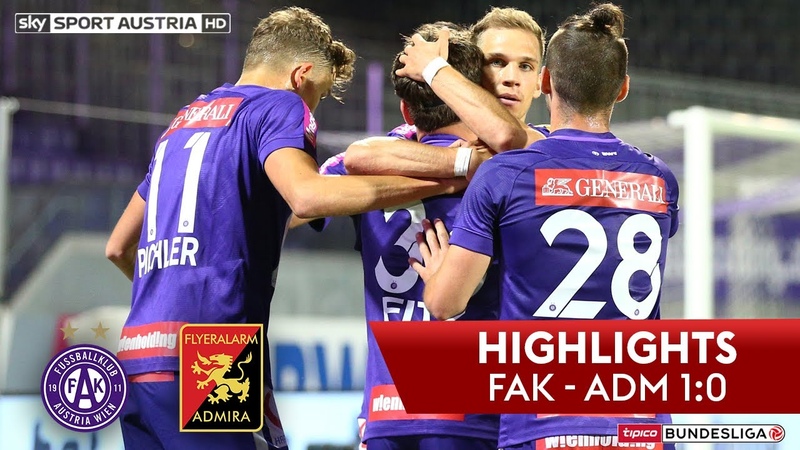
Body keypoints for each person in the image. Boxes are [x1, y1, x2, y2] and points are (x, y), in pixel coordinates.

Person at [104, 7, 465, 450]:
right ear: (300, 75)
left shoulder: (183, 121)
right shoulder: (280, 105)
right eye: (319, 95)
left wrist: (170, 297)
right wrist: (444, 181)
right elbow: (307, 197)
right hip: (215, 348)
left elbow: (118, 246)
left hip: (137, 351)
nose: (312, 109)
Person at [411, 4, 680, 450]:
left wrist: (440, 276)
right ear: (623, 89)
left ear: (547, 81)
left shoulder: (506, 174)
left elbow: (444, 305)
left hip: (546, 426)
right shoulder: (659, 178)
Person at [315, 24, 500, 450]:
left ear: (405, 110)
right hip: (471, 414)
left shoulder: (364, 166)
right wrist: (455, 171)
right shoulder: (508, 168)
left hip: (386, 412)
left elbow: (289, 208)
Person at [343, 7, 548, 177]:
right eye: (496, 62)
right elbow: (358, 156)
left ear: (539, 83)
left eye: (525, 66)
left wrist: (432, 68)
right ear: (473, 71)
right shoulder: (411, 138)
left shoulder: (551, 142)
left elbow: (517, 140)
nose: (511, 78)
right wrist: (465, 162)